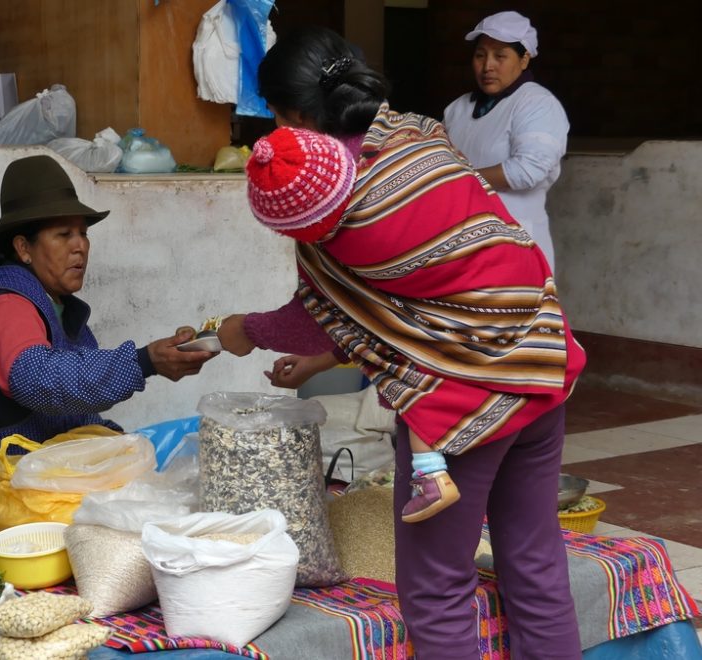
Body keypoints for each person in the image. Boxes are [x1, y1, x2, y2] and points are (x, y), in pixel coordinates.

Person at [211, 26, 585, 659]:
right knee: (535, 558)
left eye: (275, 117)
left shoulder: (338, 214)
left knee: (437, 589)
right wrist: (328, 356)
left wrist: (242, 330)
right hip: (540, 354)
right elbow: (417, 297)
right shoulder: (417, 136)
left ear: (295, 115)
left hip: (461, 404)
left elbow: (320, 312)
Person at [0, 154, 215, 538]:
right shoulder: (2, 305)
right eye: (63, 235)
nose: (80, 246)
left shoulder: (51, 303)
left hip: (25, 503)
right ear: (24, 248)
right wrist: (144, 361)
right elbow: (39, 379)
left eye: (83, 233)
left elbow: (73, 408)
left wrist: (128, 450)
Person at [443, 10, 569, 270]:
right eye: (480, 55)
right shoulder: (457, 109)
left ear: (524, 59)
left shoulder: (537, 104)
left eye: (500, 56)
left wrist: (459, 180)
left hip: (515, 243)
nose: (488, 65)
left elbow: (527, 170)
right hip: (460, 244)